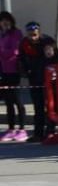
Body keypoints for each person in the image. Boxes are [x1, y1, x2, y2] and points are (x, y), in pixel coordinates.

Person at [18, 22, 53, 142]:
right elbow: (21, 59)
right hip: (34, 79)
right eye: (30, 32)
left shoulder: (47, 41)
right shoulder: (24, 43)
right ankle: (38, 133)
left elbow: (55, 57)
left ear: (39, 31)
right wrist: (24, 71)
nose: (32, 34)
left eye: (35, 31)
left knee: (50, 106)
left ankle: (50, 132)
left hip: (48, 79)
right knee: (38, 107)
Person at [0, 11, 26, 142]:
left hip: (14, 70)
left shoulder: (16, 33)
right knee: (8, 101)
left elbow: (15, 51)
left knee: (17, 100)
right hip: (3, 72)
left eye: (7, 20)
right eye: (2, 20)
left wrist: (2, 52)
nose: (5, 23)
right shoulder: (1, 35)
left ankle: (22, 129)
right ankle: (10, 129)